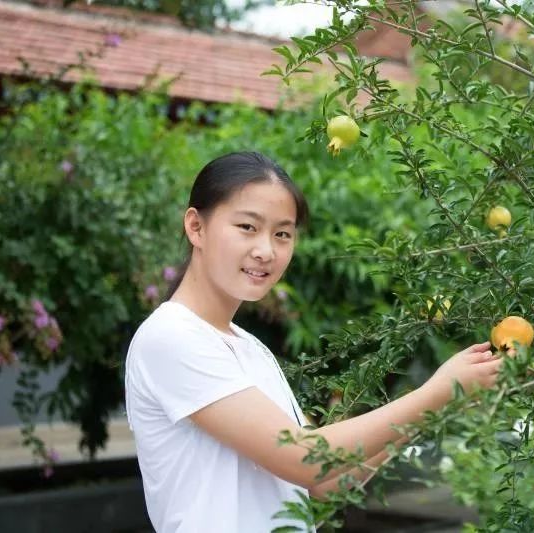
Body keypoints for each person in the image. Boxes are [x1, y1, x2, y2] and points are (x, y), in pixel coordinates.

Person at [124, 151, 503, 532]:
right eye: (247, 227)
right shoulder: (172, 337)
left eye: (282, 234)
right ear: (196, 227)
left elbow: (329, 479)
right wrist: (434, 392)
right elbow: (305, 458)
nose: (266, 250)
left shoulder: (249, 348)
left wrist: (441, 400)